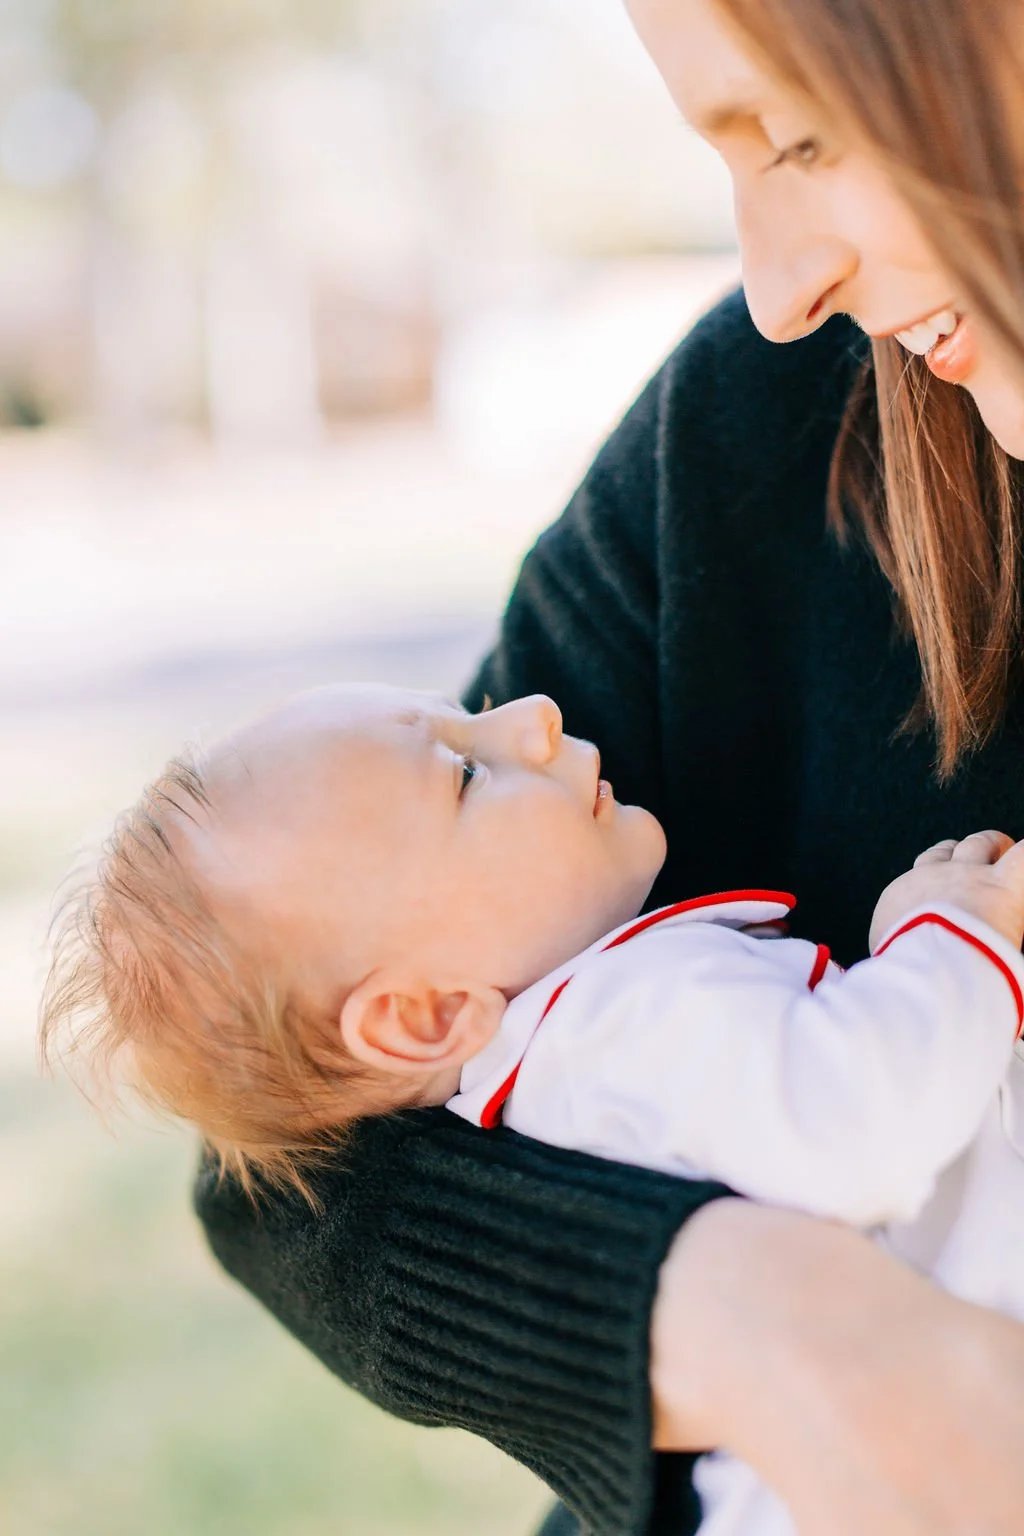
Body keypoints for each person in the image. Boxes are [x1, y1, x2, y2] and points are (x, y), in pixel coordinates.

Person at [183, 1, 1024, 1533]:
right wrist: (773, 1323)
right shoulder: (759, 430)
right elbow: (285, 1139)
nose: (779, 289)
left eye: (805, 136)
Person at [40, 678, 1024, 1534]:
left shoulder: (549, 1087)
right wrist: (948, 934)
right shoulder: (624, 1024)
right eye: (466, 773)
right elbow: (858, 1127)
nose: (534, 716)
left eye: (468, 715)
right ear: (425, 1018)